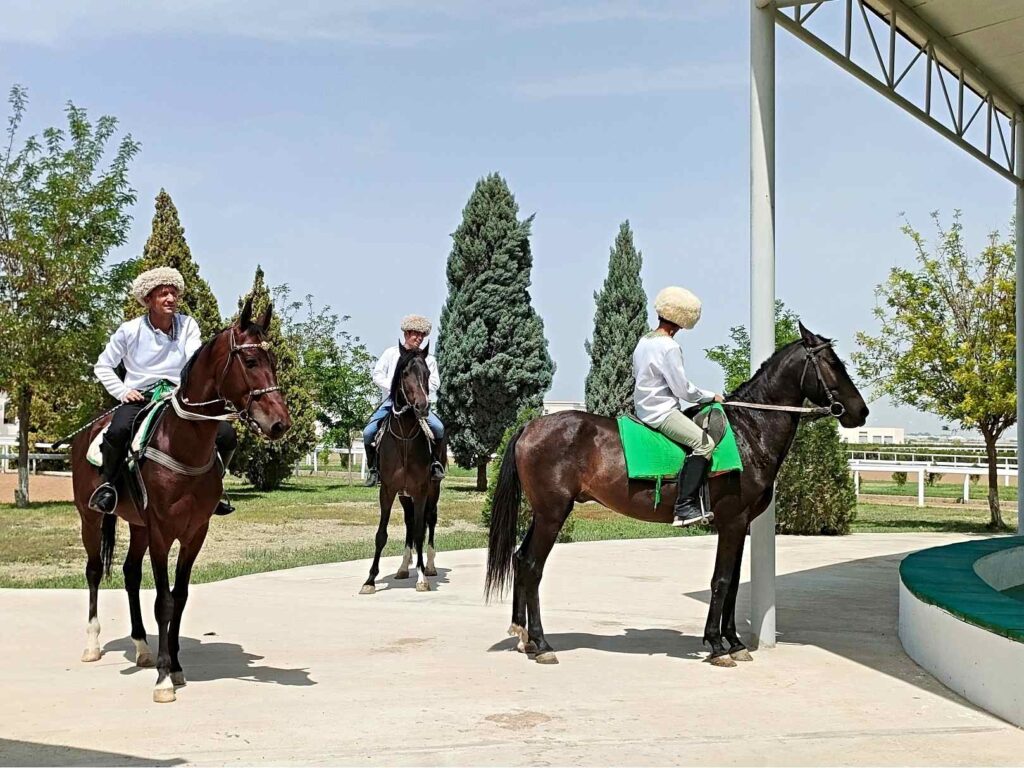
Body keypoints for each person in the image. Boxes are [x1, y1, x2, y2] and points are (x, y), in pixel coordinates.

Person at [88, 266, 238, 516]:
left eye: (174, 294)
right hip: (142, 397)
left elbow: (194, 359)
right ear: (148, 299)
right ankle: (109, 487)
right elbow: (103, 365)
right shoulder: (129, 330)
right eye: (164, 294)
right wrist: (123, 391)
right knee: (118, 431)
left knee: (226, 435)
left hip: (179, 397)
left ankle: (212, 488)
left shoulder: (188, 324)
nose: (171, 299)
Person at [632, 286, 724, 526]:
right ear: (680, 324)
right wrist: (710, 396)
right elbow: (682, 390)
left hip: (642, 407)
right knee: (704, 444)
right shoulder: (669, 347)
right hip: (661, 412)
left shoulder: (644, 341)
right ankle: (684, 507)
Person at [362, 314, 445, 486]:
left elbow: (434, 382)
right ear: (406, 333)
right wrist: (393, 389)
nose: (419, 338)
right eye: (416, 333)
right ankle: (374, 469)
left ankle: (436, 464)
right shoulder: (391, 353)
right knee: (368, 432)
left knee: (438, 428)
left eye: (422, 335)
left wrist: (420, 392)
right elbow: (377, 375)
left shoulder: (429, 359)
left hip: (417, 404)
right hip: (391, 403)